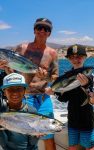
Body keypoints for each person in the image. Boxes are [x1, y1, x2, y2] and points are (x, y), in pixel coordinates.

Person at [0, 18, 58, 150]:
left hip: (43, 98)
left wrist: (46, 76)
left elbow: (55, 78)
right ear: (34, 30)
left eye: (46, 29)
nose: (42, 31)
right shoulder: (22, 48)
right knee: (22, 136)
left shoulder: (52, 53)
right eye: (39, 28)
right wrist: (4, 68)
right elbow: (12, 72)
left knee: (48, 135)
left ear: (49, 33)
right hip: (24, 97)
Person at [46, 44, 94, 150]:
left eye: (79, 56)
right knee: (72, 147)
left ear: (85, 57)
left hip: (87, 120)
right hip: (72, 119)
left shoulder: (91, 77)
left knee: (90, 147)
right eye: (72, 57)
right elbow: (64, 99)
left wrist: (86, 85)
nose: (76, 59)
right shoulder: (65, 76)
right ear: (68, 59)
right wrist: (55, 92)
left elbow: (93, 98)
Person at [0, 73, 42, 149]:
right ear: (4, 93)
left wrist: (36, 136)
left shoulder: (31, 111)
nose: (15, 93)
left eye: (19, 89)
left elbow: (32, 143)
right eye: (10, 89)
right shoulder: (1, 109)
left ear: (24, 91)